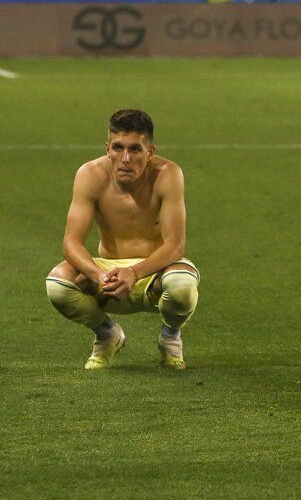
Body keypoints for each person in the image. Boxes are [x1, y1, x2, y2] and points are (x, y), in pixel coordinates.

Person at [44, 110, 200, 371]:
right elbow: (71, 243)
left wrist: (134, 272)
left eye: (135, 149)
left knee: (182, 286)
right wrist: (97, 275)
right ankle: (107, 334)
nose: (125, 158)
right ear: (108, 148)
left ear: (150, 151)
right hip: (109, 274)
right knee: (58, 284)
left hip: (155, 273)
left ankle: (171, 337)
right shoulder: (90, 175)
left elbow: (175, 245)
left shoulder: (168, 174)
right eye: (118, 147)